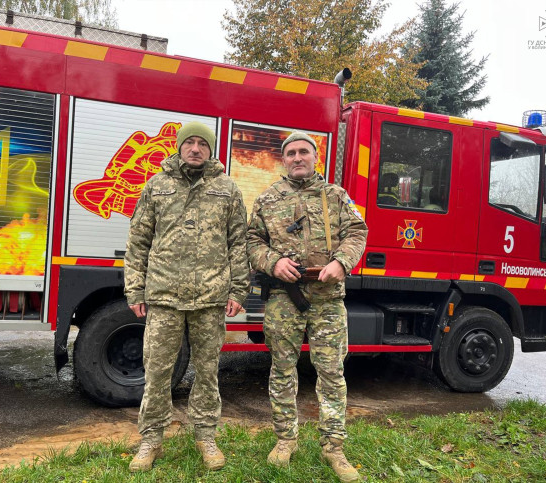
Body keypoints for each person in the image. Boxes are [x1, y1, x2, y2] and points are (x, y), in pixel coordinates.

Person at [124, 121, 250, 472]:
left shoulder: (227, 188)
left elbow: (238, 242)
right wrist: (135, 288)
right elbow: (138, 241)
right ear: (179, 147)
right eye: (190, 142)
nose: (196, 149)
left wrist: (238, 289)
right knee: (157, 372)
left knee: (207, 372)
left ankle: (206, 436)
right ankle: (151, 439)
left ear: (211, 149)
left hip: (210, 297)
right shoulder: (157, 185)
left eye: (202, 144)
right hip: (164, 296)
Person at [246, 131, 368, 482]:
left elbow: (357, 232)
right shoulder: (268, 199)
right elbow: (252, 241)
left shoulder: (335, 195)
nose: (297, 157)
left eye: (304, 151)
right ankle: (285, 439)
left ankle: (334, 446)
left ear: (315, 157)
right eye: (291, 153)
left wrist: (342, 263)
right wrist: (273, 263)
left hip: (327, 299)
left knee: (331, 372)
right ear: (283, 159)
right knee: (282, 370)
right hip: (284, 298)